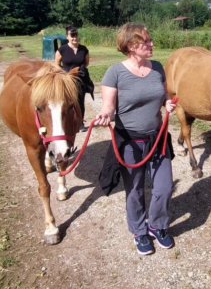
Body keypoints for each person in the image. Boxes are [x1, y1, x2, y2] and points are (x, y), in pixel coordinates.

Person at [94, 23, 177, 255]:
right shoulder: (115, 73)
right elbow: (109, 107)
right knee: (135, 190)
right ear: (131, 46)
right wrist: (105, 116)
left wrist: (167, 102)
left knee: (164, 187)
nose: (152, 44)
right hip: (129, 141)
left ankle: (157, 225)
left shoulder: (158, 68)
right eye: (146, 41)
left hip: (157, 139)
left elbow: (164, 94)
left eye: (150, 40)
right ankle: (139, 230)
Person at [55, 25, 92, 131]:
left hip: (80, 80)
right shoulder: (62, 50)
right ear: (67, 37)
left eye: (76, 35)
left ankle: (80, 123)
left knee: (80, 101)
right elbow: (57, 64)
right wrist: (65, 74)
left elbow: (86, 63)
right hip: (67, 80)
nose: (74, 38)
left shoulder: (84, 49)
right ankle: (67, 122)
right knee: (67, 101)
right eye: (72, 36)